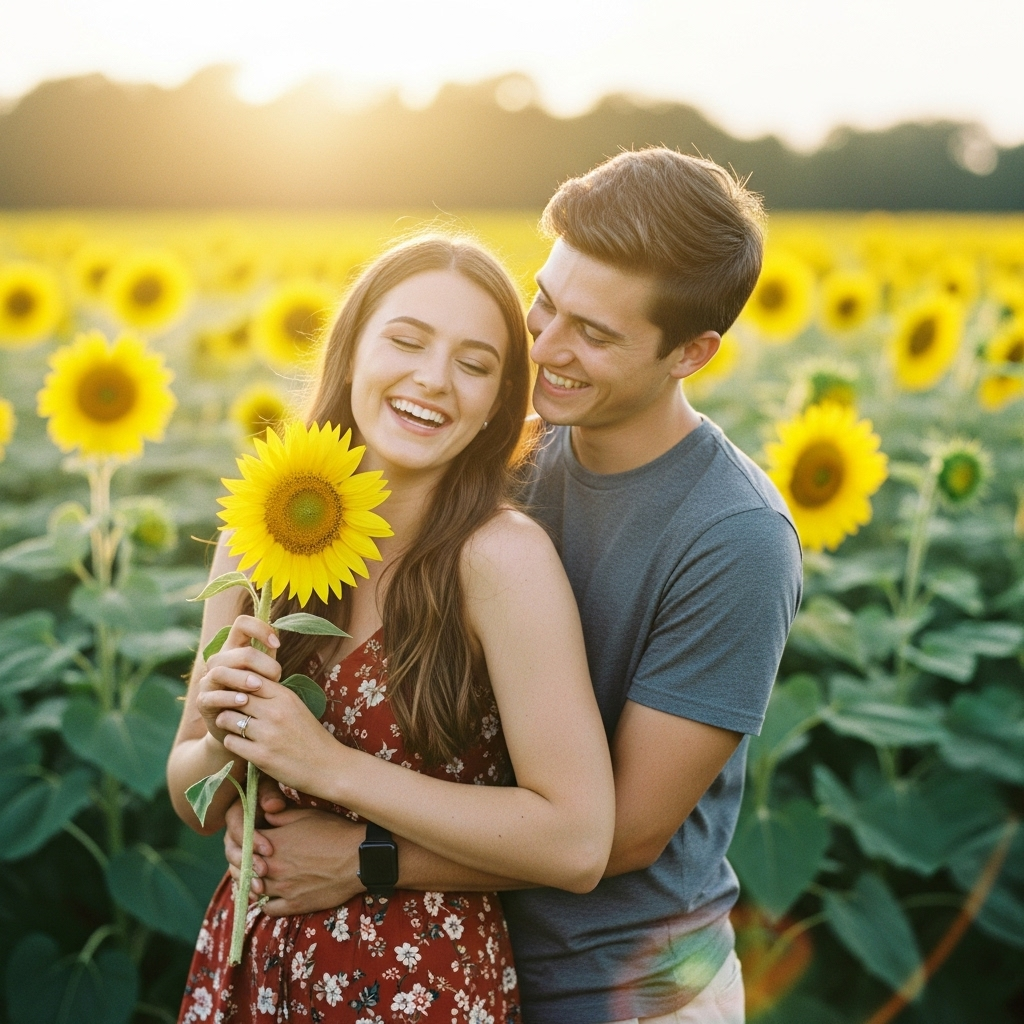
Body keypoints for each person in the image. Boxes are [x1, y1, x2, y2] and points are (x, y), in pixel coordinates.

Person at [221, 149, 802, 1024]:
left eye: (594, 335)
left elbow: (620, 835)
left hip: (620, 989)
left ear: (692, 352)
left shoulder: (735, 539)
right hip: (455, 969)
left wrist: (365, 856)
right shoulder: (504, 457)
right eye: (545, 302)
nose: (545, 348)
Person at [167, 236, 616, 1024]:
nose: (433, 381)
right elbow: (193, 798)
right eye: (406, 341)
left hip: (418, 983)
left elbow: (576, 842)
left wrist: (329, 767)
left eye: (474, 365)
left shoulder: (499, 560)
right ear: (351, 354)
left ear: (496, 406)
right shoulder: (260, 534)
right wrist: (221, 737)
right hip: (250, 966)